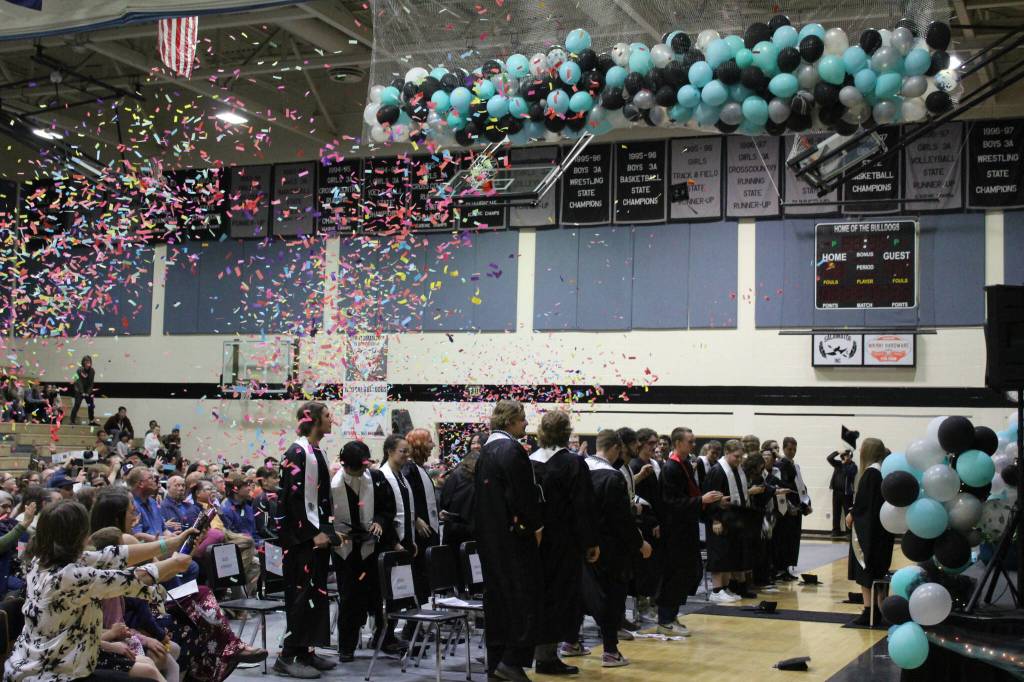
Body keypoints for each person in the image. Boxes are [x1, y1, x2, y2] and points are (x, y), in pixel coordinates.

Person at [3, 498, 196, 682]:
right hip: (51, 673)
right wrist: (174, 562)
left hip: (52, 662)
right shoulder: (66, 577)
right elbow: (136, 579)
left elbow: (113, 555)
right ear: (77, 535)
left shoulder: (43, 559)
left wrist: (169, 544)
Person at [89, 487, 268, 681]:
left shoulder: (107, 540)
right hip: (136, 615)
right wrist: (186, 546)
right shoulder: (124, 539)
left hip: (141, 607)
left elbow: (166, 570)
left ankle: (229, 649)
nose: (136, 515)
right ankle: (229, 649)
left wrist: (188, 545)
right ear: (117, 517)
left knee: (200, 604)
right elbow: (160, 574)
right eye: (132, 511)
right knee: (196, 625)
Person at [474, 400, 543, 682]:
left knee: (498, 603)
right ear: (510, 420)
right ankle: (512, 661)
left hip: (490, 540)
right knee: (524, 600)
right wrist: (535, 526)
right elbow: (522, 496)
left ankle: (496, 664)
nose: (526, 423)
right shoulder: (511, 450)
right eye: (522, 418)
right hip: (514, 540)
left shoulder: (486, 451)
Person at [569, 430, 649, 668]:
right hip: (609, 548)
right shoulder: (613, 477)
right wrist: (639, 543)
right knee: (612, 597)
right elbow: (621, 520)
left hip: (580, 543)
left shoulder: (579, 468)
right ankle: (610, 651)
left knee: (581, 595)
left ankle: (570, 641)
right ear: (615, 448)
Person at [528, 411, 598, 676]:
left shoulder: (529, 461)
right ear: (567, 431)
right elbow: (583, 506)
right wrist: (591, 541)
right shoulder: (573, 463)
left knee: (540, 596)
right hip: (564, 542)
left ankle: (540, 653)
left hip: (535, 539)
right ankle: (547, 657)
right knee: (560, 599)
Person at [272, 401, 338, 679]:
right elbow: (293, 500)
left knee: (315, 594)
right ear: (313, 420)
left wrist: (330, 529)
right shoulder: (297, 452)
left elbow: (320, 499)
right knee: (300, 596)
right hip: (301, 541)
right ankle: (287, 655)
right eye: (327, 415)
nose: (331, 419)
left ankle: (305, 650)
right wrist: (313, 534)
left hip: (316, 535)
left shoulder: (315, 451)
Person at [331, 440, 403, 662]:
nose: (362, 471)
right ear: (345, 465)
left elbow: (387, 508)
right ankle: (347, 647)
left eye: (363, 467)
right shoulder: (332, 485)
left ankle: (384, 638)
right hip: (345, 550)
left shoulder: (376, 478)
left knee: (378, 595)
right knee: (350, 598)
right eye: (356, 468)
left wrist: (380, 521)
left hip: (372, 547)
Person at [657, 427, 721, 636]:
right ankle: (665, 619)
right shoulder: (670, 468)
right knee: (675, 574)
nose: (694, 445)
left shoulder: (685, 464)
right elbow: (670, 503)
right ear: (677, 443)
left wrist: (705, 502)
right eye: (690, 442)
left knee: (689, 573)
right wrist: (701, 500)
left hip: (687, 527)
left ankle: (671, 615)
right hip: (675, 531)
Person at [704, 439, 760, 602]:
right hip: (719, 520)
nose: (739, 460)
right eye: (736, 456)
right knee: (719, 554)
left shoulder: (736, 470)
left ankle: (725, 588)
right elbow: (711, 497)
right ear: (727, 453)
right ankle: (716, 590)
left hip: (733, 519)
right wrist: (715, 520)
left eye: (741, 457)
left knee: (729, 555)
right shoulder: (717, 471)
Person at [847, 438, 894, 627]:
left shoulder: (870, 474)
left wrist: (852, 514)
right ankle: (875, 609)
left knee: (865, 568)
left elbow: (865, 506)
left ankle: (868, 610)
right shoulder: (883, 471)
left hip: (869, 533)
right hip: (883, 531)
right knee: (876, 571)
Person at [401, 428, 440, 631]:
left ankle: (417, 627)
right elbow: (404, 498)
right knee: (417, 580)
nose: (432, 445)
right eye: (429, 442)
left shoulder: (419, 469)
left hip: (427, 534)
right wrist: (416, 519)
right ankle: (412, 627)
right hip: (418, 537)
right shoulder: (409, 469)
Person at [775, 436, 811, 580]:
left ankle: (787, 568)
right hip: (787, 509)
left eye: (794, 449)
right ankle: (781, 569)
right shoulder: (780, 465)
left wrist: (807, 504)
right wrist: (790, 506)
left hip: (797, 508)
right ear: (783, 449)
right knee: (784, 540)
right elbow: (783, 487)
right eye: (789, 449)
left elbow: (802, 487)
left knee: (793, 540)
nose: (792, 452)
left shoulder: (795, 466)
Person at [438, 449, 477, 554]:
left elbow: (444, 501)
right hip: (473, 528)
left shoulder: (456, 474)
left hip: (454, 527)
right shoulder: (481, 476)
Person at [828, 450, 858, 537]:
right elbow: (829, 458)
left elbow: (848, 473)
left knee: (847, 512)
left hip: (847, 494)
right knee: (836, 512)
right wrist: (837, 452)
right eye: (844, 455)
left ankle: (848, 532)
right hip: (836, 492)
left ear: (850, 456)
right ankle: (835, 531)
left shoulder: (853, 466)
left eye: (847, 455)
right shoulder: (838, 464)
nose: (845, 457)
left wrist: (844, 464)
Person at [253, 466, 281, 541]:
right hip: (274, 543)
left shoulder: (280, 495)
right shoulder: (261, 500)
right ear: (264, 481)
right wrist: (280, 540)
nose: (278, 480)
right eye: (275, 478)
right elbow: (263, 529)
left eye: (278, 477)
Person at [70, 356, 97, 426]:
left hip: (87, 389)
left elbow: (91, 383)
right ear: (83, 362)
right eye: (86, 361)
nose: (88, 362)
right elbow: (79, 382)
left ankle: (91, 421)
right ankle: (72, 420)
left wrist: (88, 393)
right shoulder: (79, 370)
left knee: (91, 405)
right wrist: (82, 392)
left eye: (89, 361)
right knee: (77, 404)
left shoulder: (92, 371)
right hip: (78, 389)